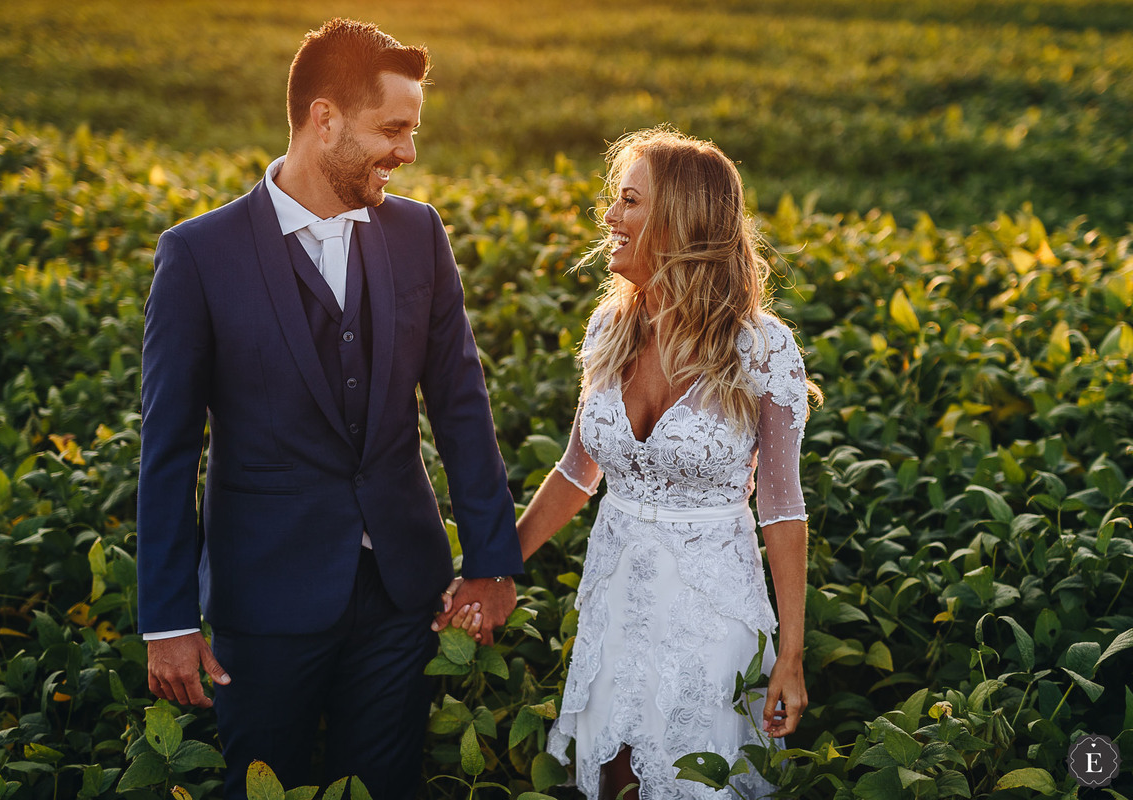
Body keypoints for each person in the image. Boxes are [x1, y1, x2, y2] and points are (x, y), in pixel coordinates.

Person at [136, 19, 523, 800]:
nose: (408, 153)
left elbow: (460, 402)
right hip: (265, 598)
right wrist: (168, 620)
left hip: (403, 591)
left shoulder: (419, 232)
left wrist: (491, 561)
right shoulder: (198, 255)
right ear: (324, 120)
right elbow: (169, 449)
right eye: (394, 130)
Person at [455, 127, 818, 798]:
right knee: (614, 779)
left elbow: (782, 506)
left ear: (681, 220)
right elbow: (575, 473)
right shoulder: (609, 327)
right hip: (614, 603)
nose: (610, 217)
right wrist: (493, 570)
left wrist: (790, 656)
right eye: (614, 200)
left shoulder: (762, 349)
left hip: (714, 613)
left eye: (629, 201)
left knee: (695, 783)